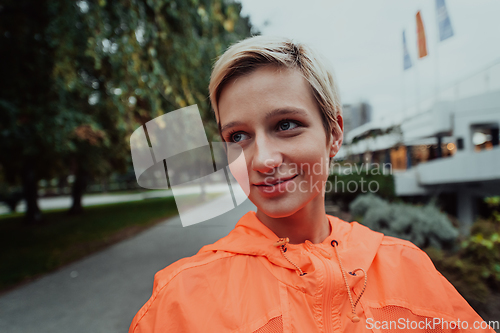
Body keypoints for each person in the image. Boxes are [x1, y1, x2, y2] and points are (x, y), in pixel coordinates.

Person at [129, 36, 494, 333]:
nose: (262, 160)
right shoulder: (179, 300)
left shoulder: (410, 270)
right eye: (238, 135)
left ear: (333, 134)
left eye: (286, 125)